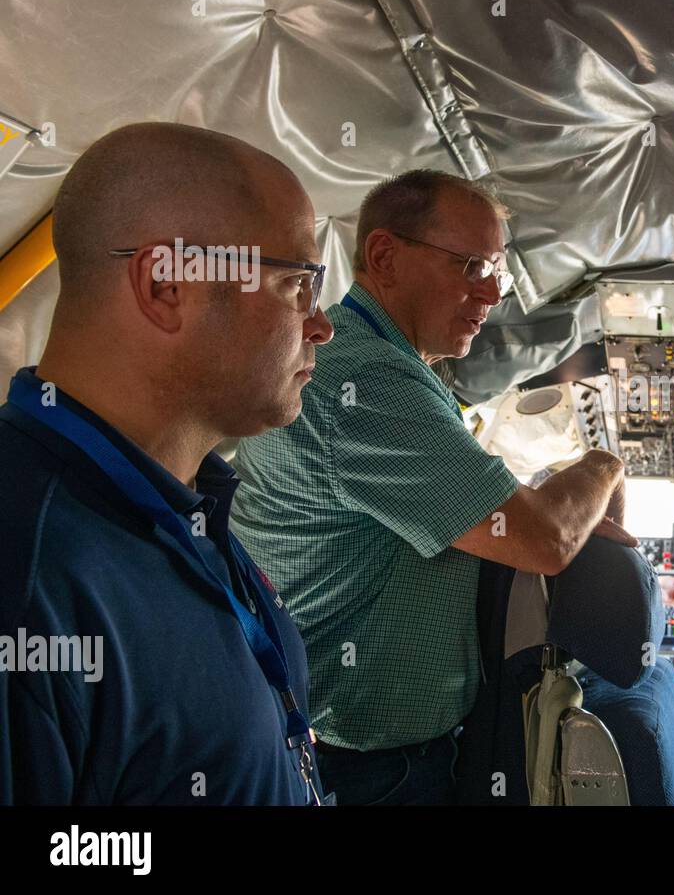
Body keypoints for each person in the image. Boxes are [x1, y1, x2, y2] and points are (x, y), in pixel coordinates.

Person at [230, 170, 636, 804]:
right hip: (366, 770)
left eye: (497, 275)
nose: (491, 294)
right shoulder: (366, 381)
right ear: (385, 256)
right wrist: (603, 464)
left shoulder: (400, 372)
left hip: (384, 759)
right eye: (472, 266)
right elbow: (543, 538)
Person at [0, 122, 334, 804]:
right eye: (296, 285)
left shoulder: (187, 505)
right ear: (166, 285)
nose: (321, 323)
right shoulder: (25, 569)